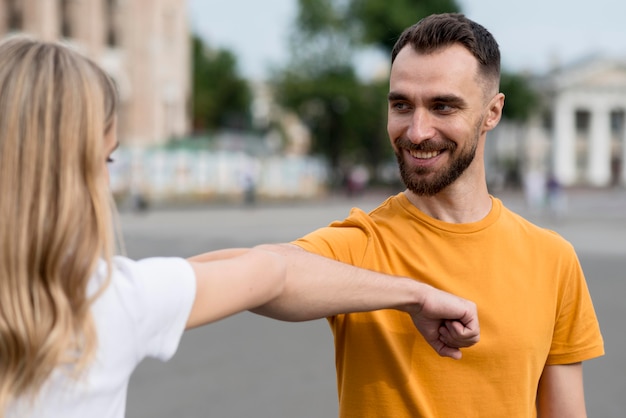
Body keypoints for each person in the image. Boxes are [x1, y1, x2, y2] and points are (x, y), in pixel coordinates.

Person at [0, 37, 479, 417]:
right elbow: (272, 273)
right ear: (75, 169)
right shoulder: (109, 302)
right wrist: (415, 295)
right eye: (105, 158)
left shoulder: (120, 293)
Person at [252, 13, 604, 417]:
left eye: (443, 106)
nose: (417, 131)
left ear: (492, 112)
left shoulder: (553, 259)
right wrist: (411, 294)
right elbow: (264, 276)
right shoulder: (363, 242)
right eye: (402, 104)